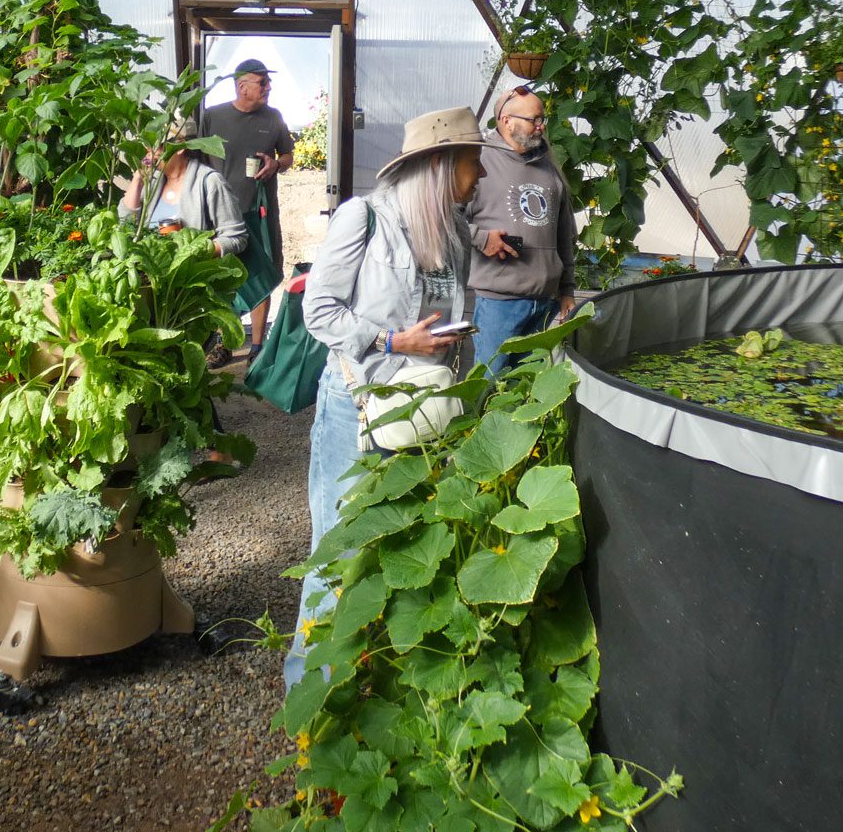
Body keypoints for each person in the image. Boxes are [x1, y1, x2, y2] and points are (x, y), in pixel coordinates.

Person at [286, 106, 486, 687]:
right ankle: (311, 703)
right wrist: (394, 339)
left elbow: (444, 312)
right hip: (358, 404)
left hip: (419, 409)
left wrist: (448, 343)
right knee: (337, 551)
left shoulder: (451, 232)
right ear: (443, 166)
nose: (479, 178)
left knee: (395, 544)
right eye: (473, 163)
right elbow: (317, 311)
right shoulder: (363, 219)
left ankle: (365, 693)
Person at [120, 116, 249, 370]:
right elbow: (124, 223)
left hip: (188, 296)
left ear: (178, 148)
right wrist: (137, 179)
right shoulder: (154, 181)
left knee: (183, 366)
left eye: (154, 148)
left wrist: (196, 251)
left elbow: (237, 237)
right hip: (151, 290)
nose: (149, 154)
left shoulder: (209, 182)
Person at [465, 85, 577, 375]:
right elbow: (444, 218)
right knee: (490, 384)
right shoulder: (479, 162)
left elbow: (564, 233)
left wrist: (566, 290)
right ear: (506, 120)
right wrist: (481, 238)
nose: (541, 126)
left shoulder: (548, 165)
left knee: (527, 386)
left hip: (545, 303)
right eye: (534, 119)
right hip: (499, 304)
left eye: (542, 119)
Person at [201, 59, 294, 356]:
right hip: (219, 215)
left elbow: (289, 156)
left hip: (261, 211)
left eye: (268, 82)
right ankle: (222, 342)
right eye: (262, 82)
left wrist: (276, 164)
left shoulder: (274, 118)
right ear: (242, 86)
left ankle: (257, 346)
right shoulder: (212, 118)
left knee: (261, 272)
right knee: (221, 277)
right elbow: (196, 162)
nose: (268, 87)